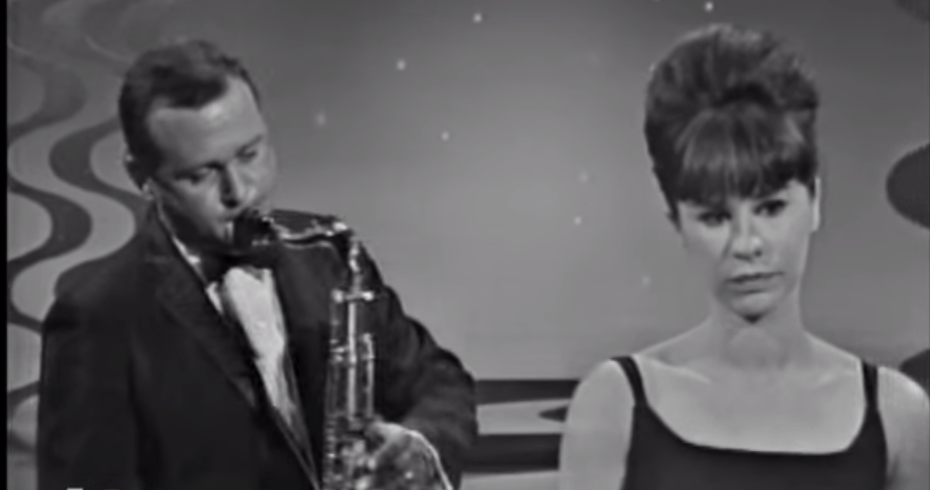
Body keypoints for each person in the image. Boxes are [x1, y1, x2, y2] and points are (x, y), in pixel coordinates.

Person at [36, 39, 477, 490]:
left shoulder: (326, 253)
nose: (240, 191)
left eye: (249, 154)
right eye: (201, 174)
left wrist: (417, 451)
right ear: (140, 177)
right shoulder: (97, 316)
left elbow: (439, 383)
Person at [559, 24, 929, 490]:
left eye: (771, 208)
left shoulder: (898, 414)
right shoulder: (615, 404)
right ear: (677, 222)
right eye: (715, 217)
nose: (747, 243)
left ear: (815, 201)